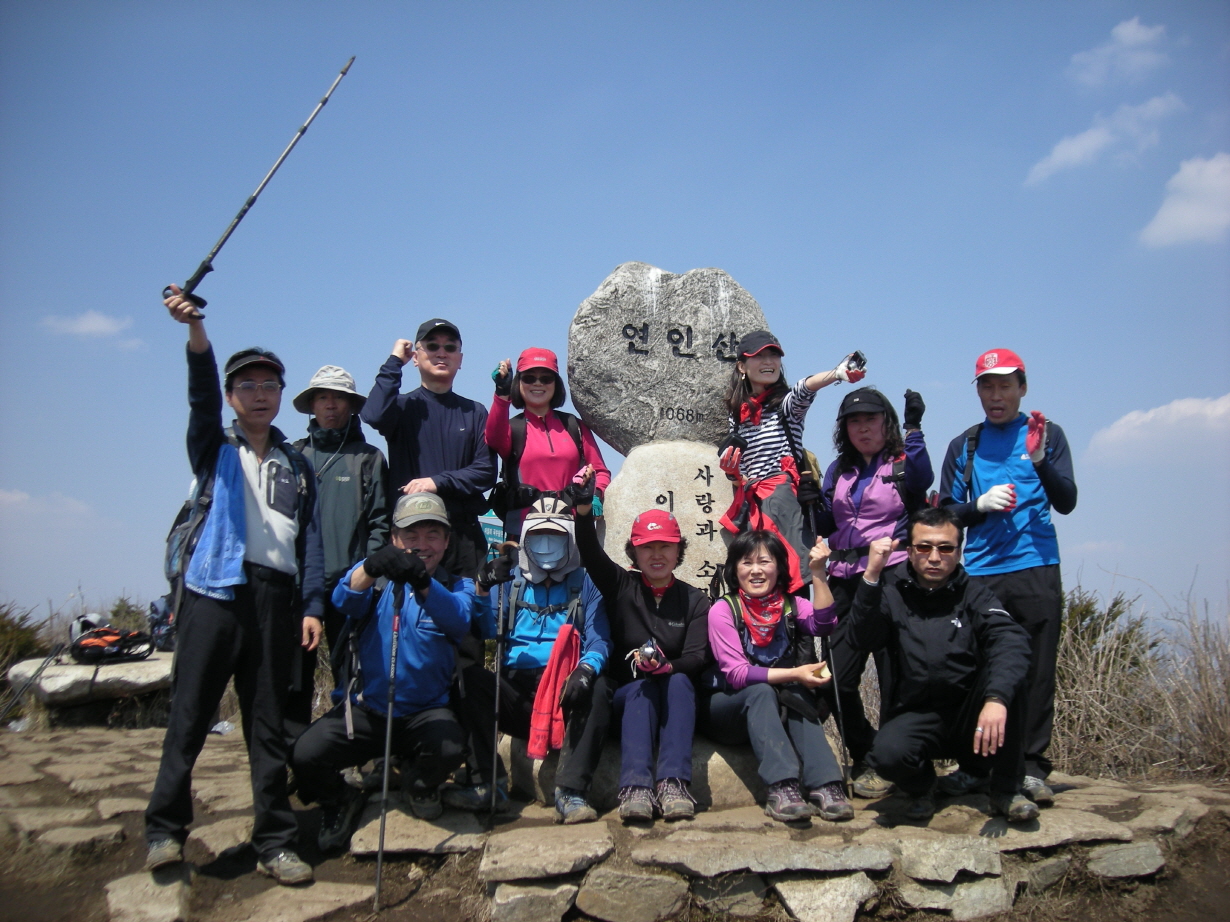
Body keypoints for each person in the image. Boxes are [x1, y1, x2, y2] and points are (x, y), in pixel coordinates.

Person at [146, 286, 324, 885]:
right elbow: (198, 398)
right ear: (231, 396)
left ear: (281, 395)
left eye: (269, 385)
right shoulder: (212, 447)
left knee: (267, 723)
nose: (260, 394)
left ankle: (275, 839)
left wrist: (311, 605)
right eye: (247, 385)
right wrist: (196, 334)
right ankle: (165, 832)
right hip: (213, 593)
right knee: (191, 715)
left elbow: (311, 541)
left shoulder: (295, 463)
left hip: (276, 599)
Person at [291, 492, 473, 852]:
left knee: (452, 747)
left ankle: (418, 783)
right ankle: (341, 799)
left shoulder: (457, 584)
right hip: (368, 710)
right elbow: (343, 600)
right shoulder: (375, 582)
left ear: (447, 540)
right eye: (411, 535)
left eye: (433, 534)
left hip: (425, 713)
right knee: (304, 755)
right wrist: (371, 566)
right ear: (394, 538)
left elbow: (459, 619)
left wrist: (423, 582)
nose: (422, 544)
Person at [939, 349, 1077, 806]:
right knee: (978, 669)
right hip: (980, 574)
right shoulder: (966, 446)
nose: (995, 396)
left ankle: (1033, 767)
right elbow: (945, 516)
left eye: (1004, 385)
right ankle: (978, 765)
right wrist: (978, 506)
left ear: (1023, 387)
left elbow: (1067, 500)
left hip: (1036, 566)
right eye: (987, 386)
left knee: (1036, 669)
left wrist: (1039, 460)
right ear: (977, 390)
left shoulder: (1047, 434)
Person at [848, 507, 1038, 822]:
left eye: (945, 548)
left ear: (958, 552)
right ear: (909, 552)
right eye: (924, 547)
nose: (934, 557)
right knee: (885, 754)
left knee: (1009, 679)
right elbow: (861, 639)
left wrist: (996, 699)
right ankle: (923, 788)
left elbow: (1010, 639)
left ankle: (1006, 790)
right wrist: (870, 576)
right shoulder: (892, 591)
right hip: (918, 713)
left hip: (971, 715)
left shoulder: (974, 593)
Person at [444, 496, 613, 823]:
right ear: (524, 540)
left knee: (602, 685)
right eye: (537, 537)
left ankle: (571, 791)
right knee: (468, 679)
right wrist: (482, 587)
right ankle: (487, 783)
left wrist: (586, 669)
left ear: (571, 539)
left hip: (566, 690)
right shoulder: (510, 582)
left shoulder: (587, 581)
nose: (547, 545)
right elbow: (482, 629)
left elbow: (599, 637)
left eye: (556, 537)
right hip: (517, 692)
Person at [570, 473, 712, 822]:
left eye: (665, 545)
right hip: (629, 704)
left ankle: (673, 784)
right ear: (633, 550)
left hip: (675, 705)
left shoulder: (695, 601)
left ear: (679, 549)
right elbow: (590, 553)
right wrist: (584, 508)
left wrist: (667, 668)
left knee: (678, 681)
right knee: (638, 689)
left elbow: (696, 657)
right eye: (647, 546)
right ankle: (636, 787)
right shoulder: (622, 586)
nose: (657, 554)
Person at [815, 387, 933, 799]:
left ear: (887, 423)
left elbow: (923, 479)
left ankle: (891, 762)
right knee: (835, 675)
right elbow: (828, 523)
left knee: (893, 673)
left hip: (894, 575)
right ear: (843, 429)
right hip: (845, 575)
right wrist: (813, 502)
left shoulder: (901, 463)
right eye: (853, 421)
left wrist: (915, 428)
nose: (862, 427)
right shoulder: (837, 470)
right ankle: (865, 750)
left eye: (871, 419)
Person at [700, 530, 851, 823]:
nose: (755, 570)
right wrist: (796, 673)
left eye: (765, 562)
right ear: (734, 570)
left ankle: (826, 785)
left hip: (775, 707)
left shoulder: (791, 605)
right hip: (725, 710)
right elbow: (737, 674)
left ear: (779, 568)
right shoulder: (723, 610)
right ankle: (782, 786)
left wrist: (818, 573)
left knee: (797, 695)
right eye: (746, 563)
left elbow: (826, 624)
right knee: (763, 691)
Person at [718, 331, 866, 594]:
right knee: (757, 582)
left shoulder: (786, 406)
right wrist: (732, 474)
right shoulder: (737, 413)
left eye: (773, 355)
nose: (768, 362)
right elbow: (743, 472)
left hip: (783, 504)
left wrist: (836, 373)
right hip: (752, 507)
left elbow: (805, 388)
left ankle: (802, 634)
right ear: (741, 365)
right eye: (759, 356)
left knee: (790, 578)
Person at [362, 319, 497, 578]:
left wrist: (436, 482)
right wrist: (393, 363)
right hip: (413, 536)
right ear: (415, 356)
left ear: (460, 358)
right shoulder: (401, 407)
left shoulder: (475, 411)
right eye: (432, 346)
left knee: (467, 615)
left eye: (450, 347)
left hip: (463, 538)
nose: (441, 352)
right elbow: (373, 414)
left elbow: (486, 472)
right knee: (410, 615)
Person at [485, 347, 611, 539]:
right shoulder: (512, 428)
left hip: (572, 531)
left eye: (546, 378)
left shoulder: (574, 426)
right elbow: (493, 438)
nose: (538, 383)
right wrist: (502, 393)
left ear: (556, 384)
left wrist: (596, 494)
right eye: (529, 378)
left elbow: (600, 471)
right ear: (518, 383)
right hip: (523, 533)